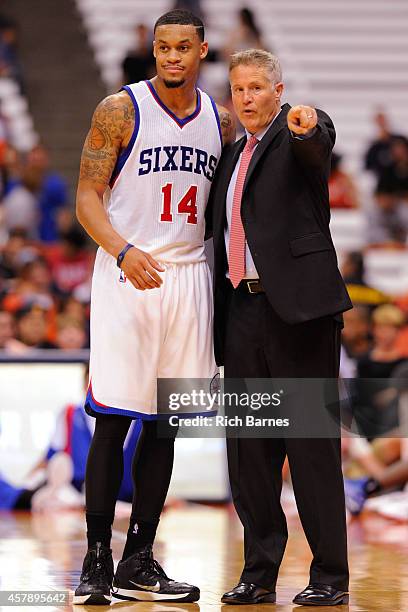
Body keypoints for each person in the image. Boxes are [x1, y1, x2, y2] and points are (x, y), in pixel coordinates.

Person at [73, 9, 234, 606]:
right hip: (128, 273)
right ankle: (96, 560)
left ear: (201, 51)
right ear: (153, 49)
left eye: (183, 48)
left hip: (190, 278)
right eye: (163, 47)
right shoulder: (119, 109)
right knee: (113, 418)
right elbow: (87, 197)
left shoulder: (220, 120)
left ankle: (139, 559)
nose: (172, 57)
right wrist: (121, 250)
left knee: (166, 426)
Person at [208, 49, 352, 606]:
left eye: (256, 88)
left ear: (277, 89)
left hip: (299, 317)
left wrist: (310, 124)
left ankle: (330, 578)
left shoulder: (296, 134)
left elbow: (317, 145)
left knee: (311, 447)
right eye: (238, 89)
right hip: (243, 313)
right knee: (249, 451)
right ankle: (259, 574)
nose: (246, 98)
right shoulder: (231, 155)